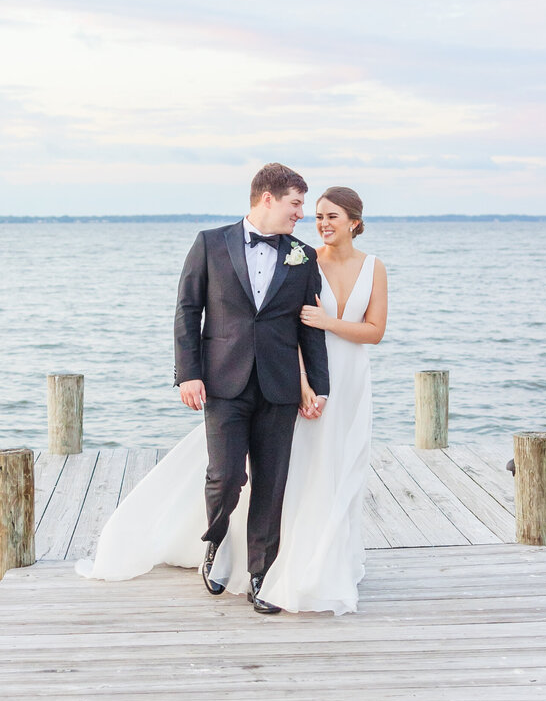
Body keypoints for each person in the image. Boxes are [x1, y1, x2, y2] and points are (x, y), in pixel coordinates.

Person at [78, 179, 388, 616]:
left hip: (279, 387)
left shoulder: (300, 257)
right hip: (225, 382)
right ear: (269, 199)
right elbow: (188, 310)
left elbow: (308, 330)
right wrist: (188, 374)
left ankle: (261, 576)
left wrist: (318, 386)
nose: (302, 215)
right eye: (297, 205)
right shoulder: (210, 244)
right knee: (225, 476)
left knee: (272, 483)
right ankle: (215, 544)